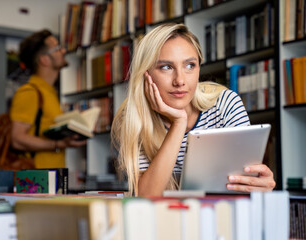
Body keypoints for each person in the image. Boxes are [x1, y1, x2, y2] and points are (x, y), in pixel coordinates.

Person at [111, 23, 276, 197]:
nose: (180, 80)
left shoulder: (225, 104)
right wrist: (179, 122)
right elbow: (146, 197)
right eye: (166, 67)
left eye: (189, 65)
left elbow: (246, 182)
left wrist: (259, 185)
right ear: (146, 74)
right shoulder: (133, 117)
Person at [10, 29, 86, 169]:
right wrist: (58, 144)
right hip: (36, 182)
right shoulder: (29, 92)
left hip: (50, 181)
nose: (63, 51)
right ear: (44, 59)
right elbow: (17, 139)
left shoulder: (48, 92)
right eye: (57, 48)